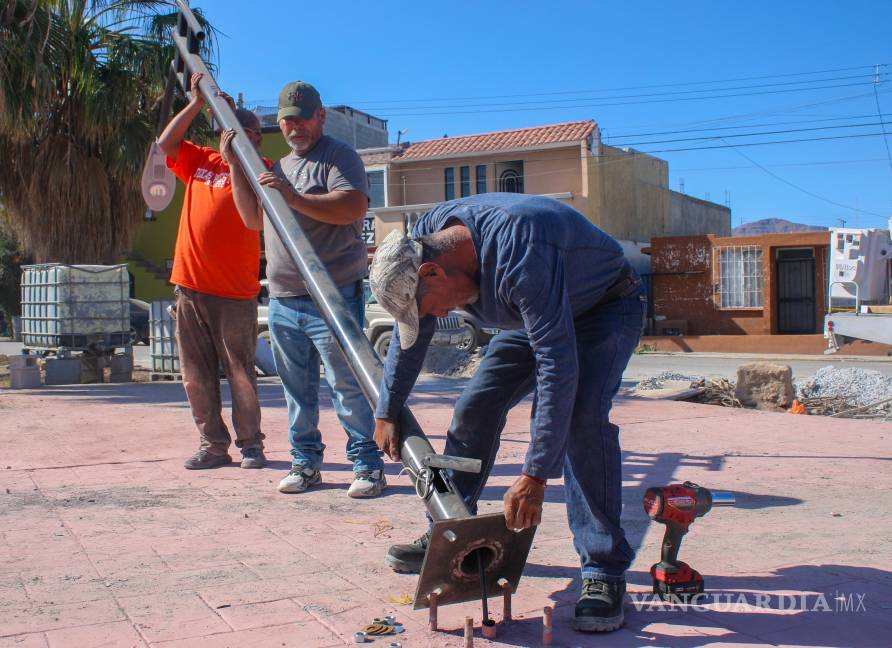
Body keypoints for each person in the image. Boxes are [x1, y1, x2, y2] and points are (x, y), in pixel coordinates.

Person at [369, 193, 646, 633]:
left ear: (432, 272)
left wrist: (536, 475)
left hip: (603, 308)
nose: (439, 316)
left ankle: (603, 570)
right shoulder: (428, 241)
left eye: (431, 307)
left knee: (580, 420)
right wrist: (387, 408)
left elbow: (557, 366)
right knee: (474, 406)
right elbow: (412, 339)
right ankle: (450, 529)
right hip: (534, 314)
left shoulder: (521, 248)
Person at [228, 80, 385, 498]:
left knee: (346, 385)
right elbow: (252, 220)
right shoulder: (277, 169)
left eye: (302, 118)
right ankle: (306, 463)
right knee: (296, 389)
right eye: (287, 120)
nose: (295, 127)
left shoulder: (339, 157)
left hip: (332, 294)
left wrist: (295, 199)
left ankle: (367, 464)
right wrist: (234, 166)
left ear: (320, 117)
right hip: (283, 296)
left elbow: (352, 205)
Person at [158, 72, 269, 471]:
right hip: (189, 287)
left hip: (235, 293)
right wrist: (197, 103)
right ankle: (212, 445)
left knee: (240, 374)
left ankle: (251, 444)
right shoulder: (201, 160)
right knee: (195, 377)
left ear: (255, 137)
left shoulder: (264, 169)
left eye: (241, 130)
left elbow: (254, 219)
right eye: (225, 128)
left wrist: (239, 161)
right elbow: (165, 144)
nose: (231, 136)